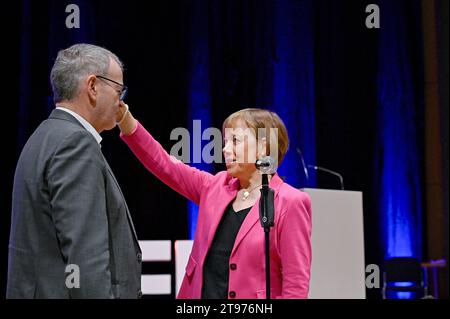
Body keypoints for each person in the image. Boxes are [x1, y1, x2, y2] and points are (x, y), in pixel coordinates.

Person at [117, 104, 312, 299]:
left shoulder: (290, 202)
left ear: (263, 147)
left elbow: (296, 285)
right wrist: (125, 119)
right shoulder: (214, 186)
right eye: (225, 142)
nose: (225, 149)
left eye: (235, 141)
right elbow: (164, 163)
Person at [7, 44, 142, 299]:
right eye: (118, 90)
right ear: (92, 86)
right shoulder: (75, 145)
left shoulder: (43, 136)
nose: (120, 102)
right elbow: (86, 260)